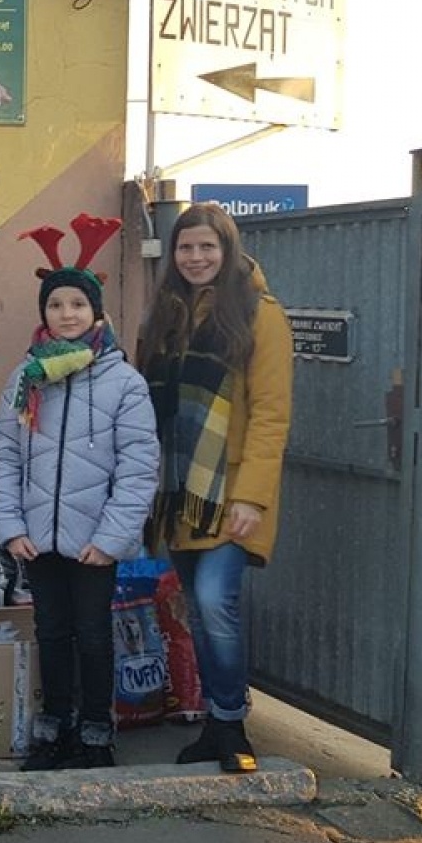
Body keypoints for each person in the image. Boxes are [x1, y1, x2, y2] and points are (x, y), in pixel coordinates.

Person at [0, 214, 159, 771]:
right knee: (51, 633)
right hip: (38, 539)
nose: (66, 315)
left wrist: (111, 538)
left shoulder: (123, 383)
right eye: (56, 306)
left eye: (77, 306)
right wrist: (10, 527)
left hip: (94, 542)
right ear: (45, 314)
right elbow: (3, 453)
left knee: (93, 635)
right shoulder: (26, 378)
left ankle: (95, 731)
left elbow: (137, 468)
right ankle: (54, 724)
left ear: (96, 314)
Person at [139, 202, 293, 774]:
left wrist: (252, 496)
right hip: (180, 494)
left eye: (208, 247)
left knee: (215, 603)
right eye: (186, 247)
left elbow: (272, 415)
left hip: (229, 493)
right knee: (199, 615)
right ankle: (214, 724)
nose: (196, 257)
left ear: (227, 250)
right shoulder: (167, 315)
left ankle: (232, 724)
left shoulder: (259, 314)